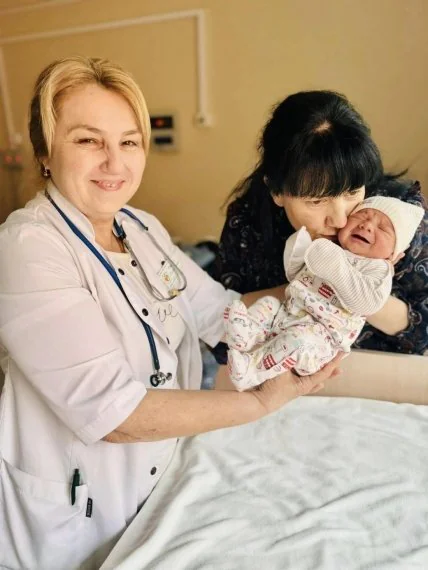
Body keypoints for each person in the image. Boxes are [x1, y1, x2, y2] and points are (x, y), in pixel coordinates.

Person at [0, 57, 342, 570]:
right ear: (46, 152)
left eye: (129, 142)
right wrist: (261, 402)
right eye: (89, 140)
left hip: (157, 485)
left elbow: (221, 313)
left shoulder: (140, 227)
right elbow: (114, 413)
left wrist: (321, 292)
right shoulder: (27, 248)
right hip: (77, 514)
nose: (115, 163)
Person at [214, 91, 428, 359]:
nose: (340, 220)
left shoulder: (397, 217)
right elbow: (220, 324)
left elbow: (422, 332)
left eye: (352, 192)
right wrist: (310, 284)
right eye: (316, 201)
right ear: (277, 191)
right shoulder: (248, 221)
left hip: (378, 371)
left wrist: (359, 288)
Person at [225, 196, 424, 390]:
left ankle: (251, 372)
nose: (367, 226)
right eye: (361, 216)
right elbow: (296, 274)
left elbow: (367, 304)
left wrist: (331, 260)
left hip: (319, 340)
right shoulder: (329, 250)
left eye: (383, 228)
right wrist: (301, 244)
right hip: (287, 314)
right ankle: (248, 335)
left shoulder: (378, 269)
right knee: (268, 304)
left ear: (395, 254)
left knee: (296, 340)